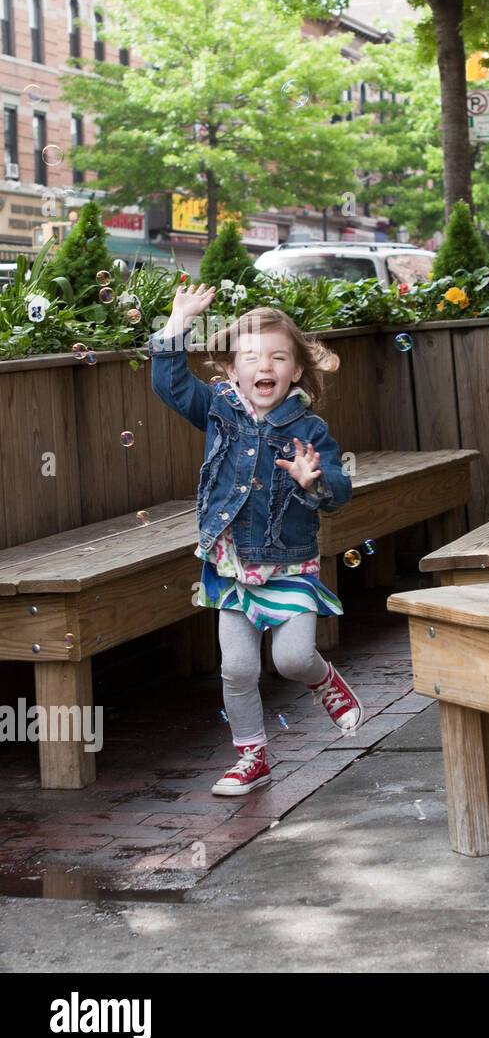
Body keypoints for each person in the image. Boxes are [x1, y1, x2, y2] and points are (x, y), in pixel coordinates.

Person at [150, 288, 363, 796]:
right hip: (230, 564)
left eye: (277, 357)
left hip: (289, 565)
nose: (263, 366)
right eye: (250, 357)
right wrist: (178, 321)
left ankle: (324, 681)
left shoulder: (308, 428)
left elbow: (339, 491)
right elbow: (169, 383)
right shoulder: (219, 411)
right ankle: (252, 755)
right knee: (238, 668)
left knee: (291, 659)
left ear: (294, 371)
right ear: (231, 369)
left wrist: (316, 483)